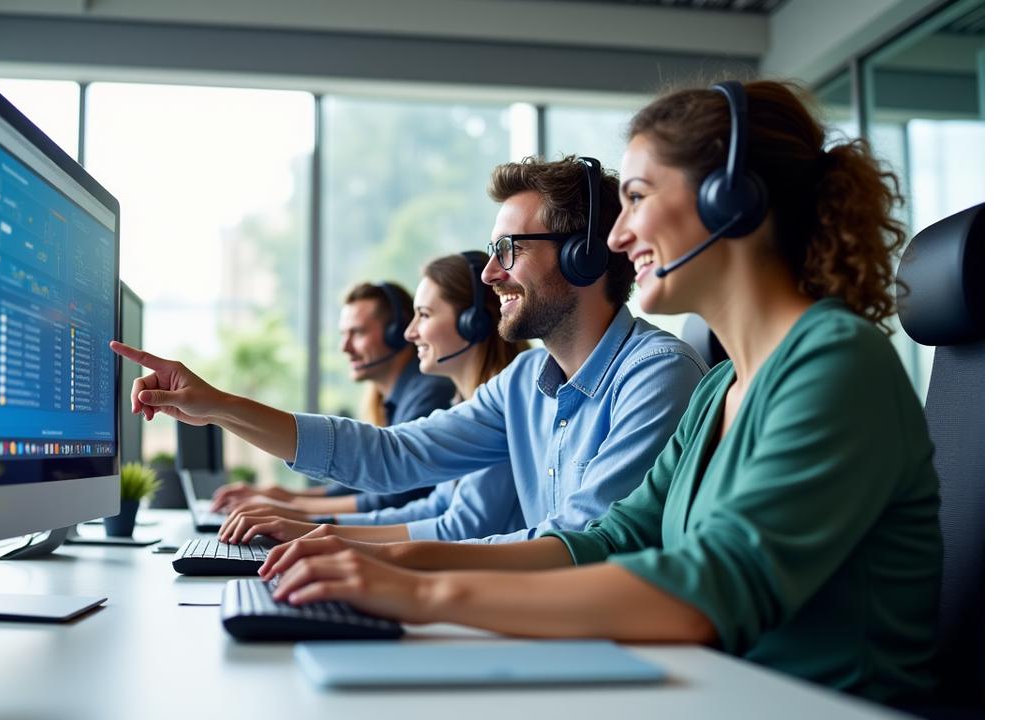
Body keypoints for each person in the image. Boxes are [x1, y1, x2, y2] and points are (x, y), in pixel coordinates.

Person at [247, 81, 942, 705]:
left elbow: (709, 591)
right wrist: (380, 559)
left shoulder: (836, 365)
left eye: (637, 198)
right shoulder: (722, 388)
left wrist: (422, 593)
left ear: (731, 202)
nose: (615, 234)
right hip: (717, 691)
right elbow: (611, 538)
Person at [111, 153, 706, 551]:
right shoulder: (526, 381)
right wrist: (218, 406)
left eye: (509, 249)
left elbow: (577, 546)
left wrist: (351, 547)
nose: (492, 273)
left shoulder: (656, 377)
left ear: (584, 255)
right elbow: (391, 455)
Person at [218, 251, 530, 544]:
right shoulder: (463, 408)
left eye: (424, 315)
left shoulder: (503, 409)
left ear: (474, 323)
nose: (410, 333)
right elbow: (432, 508)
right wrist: (315, 526)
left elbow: (459, 528)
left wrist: (315, 527)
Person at [211, 281, 456, 517]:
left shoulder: (430, 392)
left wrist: (290, 506)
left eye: (357, 332)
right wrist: (282, 495)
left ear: (396, 332)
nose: (344, 347)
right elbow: (363, 482)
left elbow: (393, 495)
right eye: (343, 334)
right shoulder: (399, 397)